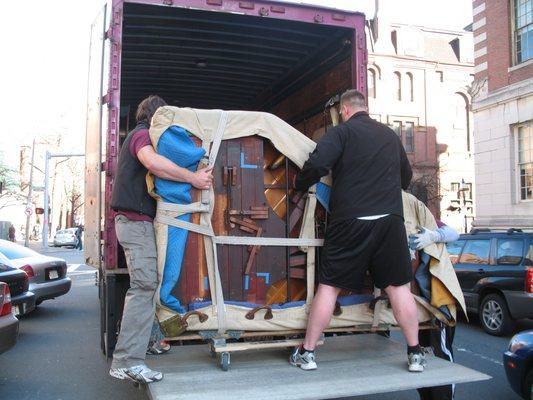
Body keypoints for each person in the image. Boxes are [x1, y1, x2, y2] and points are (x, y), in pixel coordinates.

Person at [290, 89, 425, 372]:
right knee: (399, 288)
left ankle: (308, 353)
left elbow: (317, 163)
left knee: (329, 287)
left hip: (350, 220)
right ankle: (415, 353)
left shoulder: (342, 133)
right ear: (365, 107)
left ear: (344, 111)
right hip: (389, 220)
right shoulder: (390, 136)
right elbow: (406, 177)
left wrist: (300, 185)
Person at [108, 95, 214, 384]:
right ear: (158, 117)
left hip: (136, 222)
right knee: (144, 287)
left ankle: (147, 342)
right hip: (135, 222)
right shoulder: (142, 135)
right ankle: (128, 361)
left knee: (147, 284)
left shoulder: (141, 134)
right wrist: (192, 179)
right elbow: (153, 163)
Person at [409, 212, 460, 400]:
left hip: (439, 308)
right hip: (420, 309)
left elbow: (454, 233)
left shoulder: (425, 223)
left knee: (441, 357)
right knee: (421, 357)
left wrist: (433, 235)